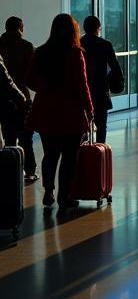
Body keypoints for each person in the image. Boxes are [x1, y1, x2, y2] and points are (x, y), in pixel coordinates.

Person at [25, 14, 93, 210]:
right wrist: (90, 108)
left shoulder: (41, 52)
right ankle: (65, 196)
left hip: (46, 111)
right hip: (70, 112)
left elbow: (28, 79)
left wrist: (45, 88)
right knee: (69, 157)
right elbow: (83, 85)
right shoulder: (75, 53)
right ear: (73, 31)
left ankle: (48, 191)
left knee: (50, 154)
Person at [0, 16, 37, 182]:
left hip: (3, 98)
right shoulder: (27, 46)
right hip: (21, 95)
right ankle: (29, 170)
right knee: (25, 136)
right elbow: (33, 73)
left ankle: (10, 171)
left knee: (8, 135)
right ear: (20, 28)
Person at [80, 16, 125, 144]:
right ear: (99, 28)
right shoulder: (105, 45)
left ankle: (82, 151)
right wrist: (109, 80)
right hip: (100, 90)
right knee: (101, 126)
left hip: (82, 89)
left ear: (84, 28)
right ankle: (99, 152)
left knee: (82, 125)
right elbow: (116, 69)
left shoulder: (78, 44)